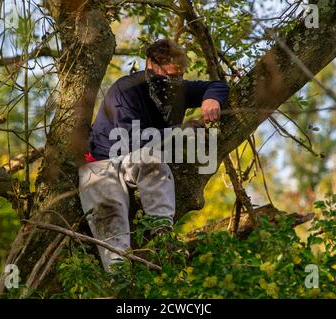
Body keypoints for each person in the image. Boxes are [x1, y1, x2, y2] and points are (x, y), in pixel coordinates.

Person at [78, 39, 230, 271]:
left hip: (138, 160)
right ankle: (119, 279)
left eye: (177, 78)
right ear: (150, 64)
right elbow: (128, 141)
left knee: (152, 160)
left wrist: (211, 99)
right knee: (111, 222)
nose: (171, 84)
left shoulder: (178, 88)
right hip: (103, 164)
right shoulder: (126, 90)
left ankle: (162, 233)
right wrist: (179, 132)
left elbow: (218, 85)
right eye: (166, 77)